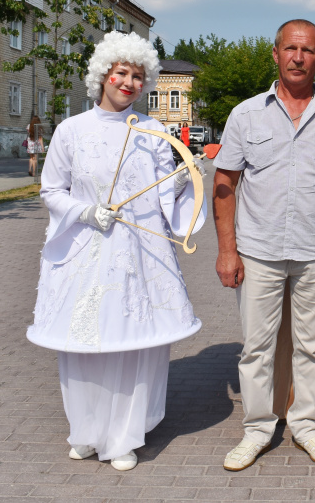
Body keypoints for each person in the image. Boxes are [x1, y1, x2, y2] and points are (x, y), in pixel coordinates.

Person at [26, 31, 206, 471]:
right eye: (122, 73)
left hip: (141, 253)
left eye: (138, 76)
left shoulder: (154, 130)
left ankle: (124, 435)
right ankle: (87, 430)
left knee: (133, 342)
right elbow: (51, 190)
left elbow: (162, 196)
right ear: (103, 74)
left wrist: (183, 182)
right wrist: (86, 212)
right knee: (84, 340)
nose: (129, 83)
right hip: (87, 250)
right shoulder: (71, 130)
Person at [212, 19, 315, 471]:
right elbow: (225, 184)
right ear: (275, 54)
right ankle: (257, 430)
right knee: (257, 348)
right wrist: (227, 250)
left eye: (308, 50)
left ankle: (306, 426)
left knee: (312, 347)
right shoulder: (246, 114)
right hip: (258, 251)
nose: (298, 57)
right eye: (290, 49)